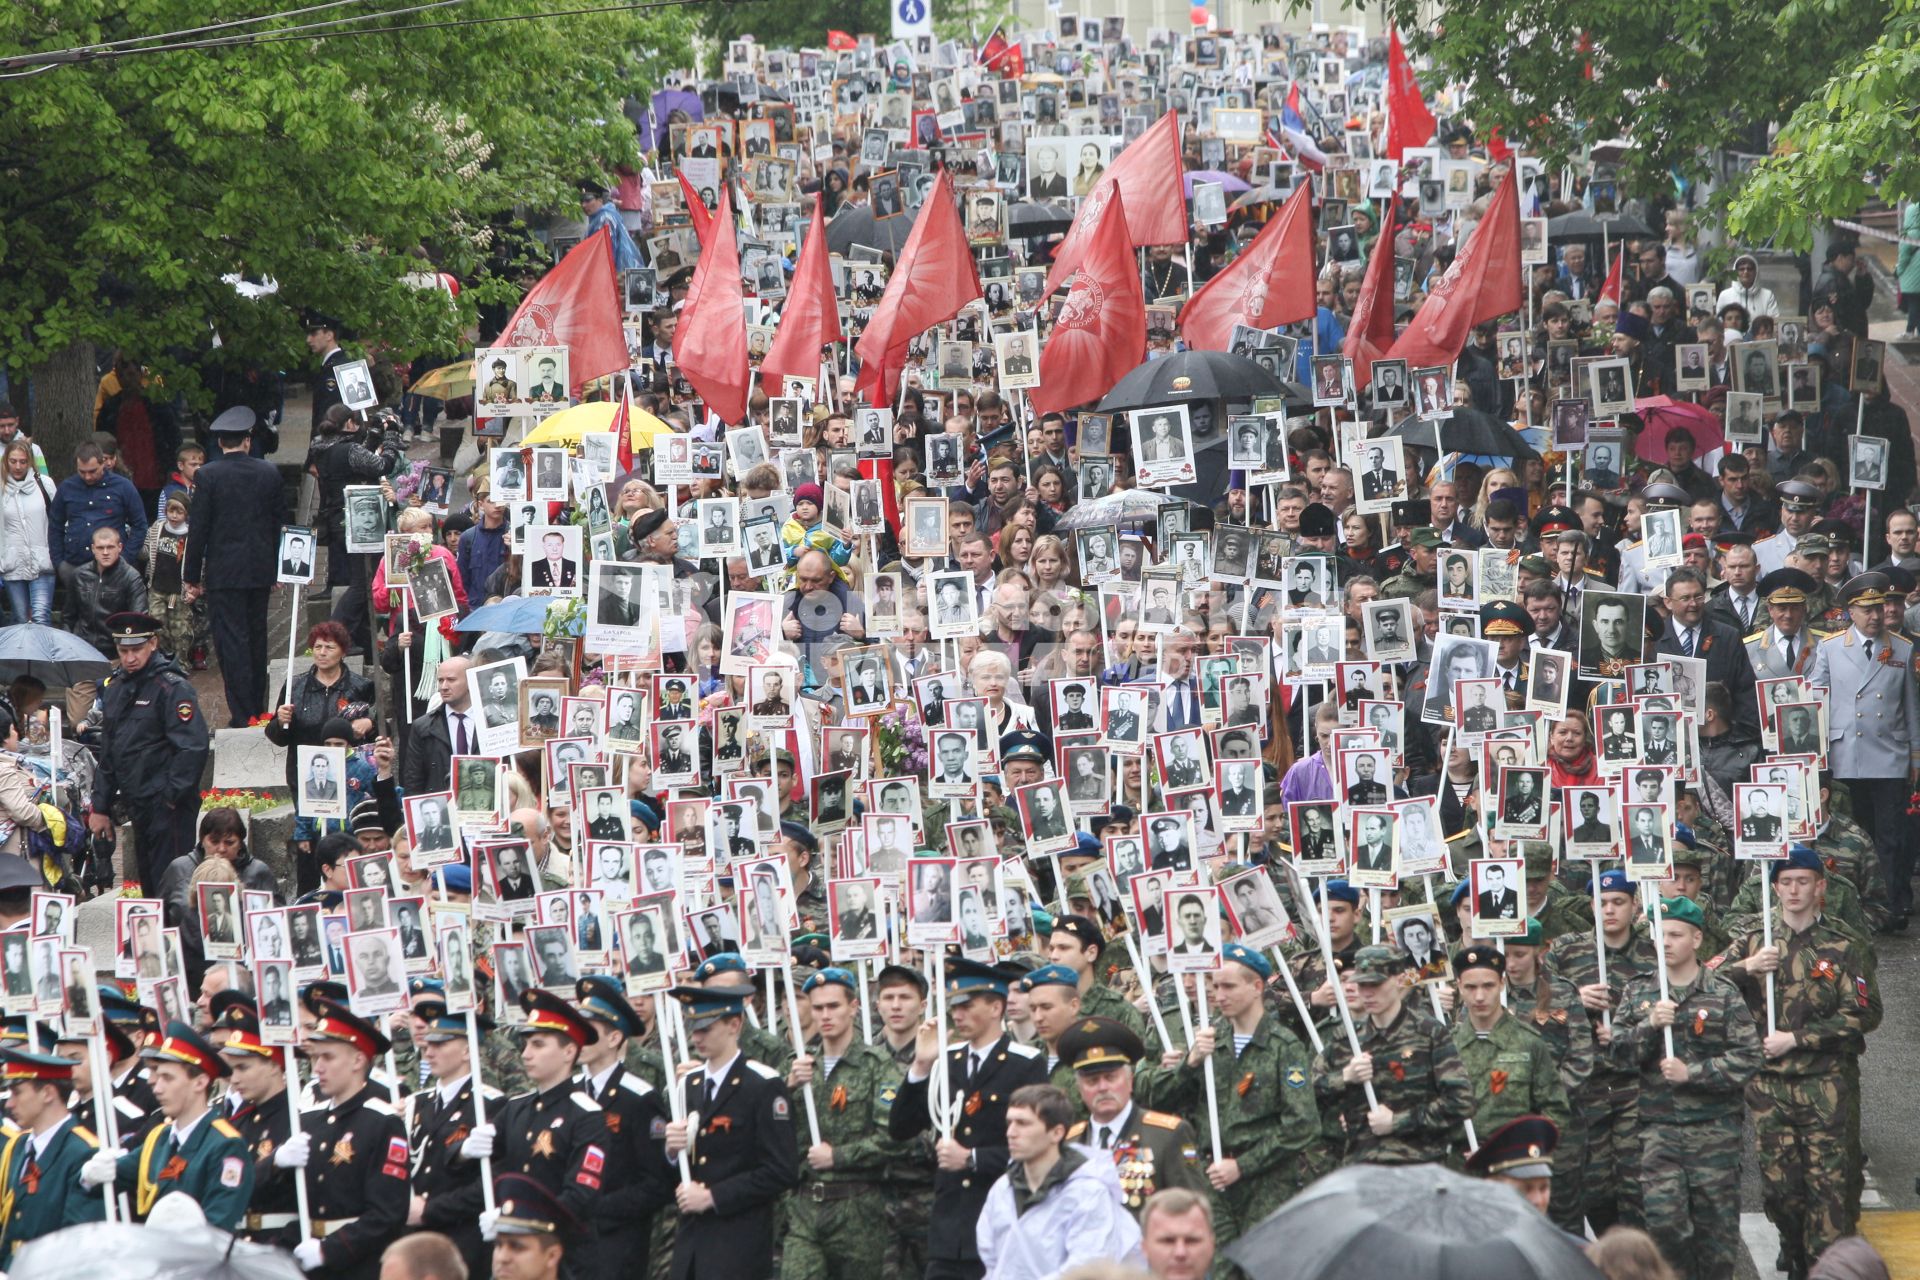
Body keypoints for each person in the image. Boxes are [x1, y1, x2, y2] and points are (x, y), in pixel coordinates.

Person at [1714, 847, 1871, 1274]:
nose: (1794, 890)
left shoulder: (1842, 944)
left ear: (1820, 887)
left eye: (1803, 881)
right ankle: (1793, 1243)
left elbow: (1865, 1013)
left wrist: (1797, 1038)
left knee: (1829, 1189)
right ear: (1775, 887)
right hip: (1770, 1085)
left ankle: (1819, 1265)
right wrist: (1747, 966)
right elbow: (1702, 985)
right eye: (1786, 882)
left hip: (1825, 1084)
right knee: (1782, 1190)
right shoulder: (1755, 938)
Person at [1609, 896, 1762, 1280]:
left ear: (1696, 939)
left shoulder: (1723, 992)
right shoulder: (1640, 991)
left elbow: (1748, 1056)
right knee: (1665, 1228)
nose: (1666, 942)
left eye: (1675, 934)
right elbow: (1617, 1053)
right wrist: (1649, 1026)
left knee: (1716, 1236)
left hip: (1715, 1132)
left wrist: (1693, 1073)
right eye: (1660, 934)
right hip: (1659, 1131)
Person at [889, 958, 1048, 1280]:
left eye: (966, 1005)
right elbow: (901, 1127)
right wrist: (920, 1066)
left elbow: (1037, 1146)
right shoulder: (946, 1061)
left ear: (995, 1008)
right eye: (953, 1007)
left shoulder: (1025, 1064)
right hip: (950, 1227)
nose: (957, 1014)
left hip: (1000, 1219)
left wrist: (972, 1158)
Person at [661, 983, 800, 1279]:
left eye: (706, 1028)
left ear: (734, 1025)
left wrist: (714, 1196)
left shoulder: (762, 1084)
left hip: (739, 1241)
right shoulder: (689, 1085)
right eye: (693, 1028)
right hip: (692, 1241)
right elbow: (685, 1169)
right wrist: (673, 1152)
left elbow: (782, 1170)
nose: (696, 1037)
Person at [1805, 574, 1920, 928]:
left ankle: (1892, 902)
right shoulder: (1830, 647)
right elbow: (1814, 699)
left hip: (1889, 752)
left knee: (1892, 836)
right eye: (1866, 609)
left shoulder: (1902, 647)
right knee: (1855, 834)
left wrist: (1915, 755)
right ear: (1850, 612)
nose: (1875, 615)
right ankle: (1856, 904)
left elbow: (1910, 706)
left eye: (1879, 608)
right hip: (1845, 753)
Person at [782, 967, 905, 1280]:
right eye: (818, 1007)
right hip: (804, 1207)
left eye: (833, 1006)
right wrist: (787, 1088)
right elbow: (769, 1132)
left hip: (857, 1208)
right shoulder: (799, 1064)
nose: (825, 1015)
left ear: (853, 1007)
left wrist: (837, 1156)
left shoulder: (876, 1065)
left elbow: (893, 1138)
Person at [80, 1020, 254, 1227]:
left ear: (200, 1082)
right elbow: (107, 1182)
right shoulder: (160, 1139)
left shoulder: (225, 1145)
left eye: (168, 1078)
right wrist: (91, 1174)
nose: (157, 1088)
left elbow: (218, 1223)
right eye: (158, 1077)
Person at [1315, 945, 1474, 1165]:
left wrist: (1398, 1121)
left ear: (1399, 980)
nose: (1367, 993)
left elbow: (1461, 1101)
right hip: (1363, 1168)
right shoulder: (1347, 1040)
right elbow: (1305, 1097)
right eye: (1362, 984)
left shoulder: (1429, 1033)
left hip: (1418, 1166)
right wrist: (1344, 1078)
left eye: (1376, 984)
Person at [90, 612, 211, 892]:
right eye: (123, 651)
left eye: (136, 649)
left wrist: (169, 798)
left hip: (167, 807)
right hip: (138, 803)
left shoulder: (172, 687)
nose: (130, 658)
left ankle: (174, 936)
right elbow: (109, 752)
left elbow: (192, 747)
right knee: (150, 887)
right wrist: (100, 806)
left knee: (172, 887)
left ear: (153, 644)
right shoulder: (115, 689)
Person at [182, 407, 286, 726]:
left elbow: (199, 528)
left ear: (221, 442)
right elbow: (277, 523)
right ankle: (256, 705)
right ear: (247, 439)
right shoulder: (269, 472)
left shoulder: (207, 475)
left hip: (224, 572)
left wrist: (191, 577)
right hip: (258, 568)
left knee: (231, 643)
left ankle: (243, 713)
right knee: (257, 639)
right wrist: (277, 568)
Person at [973, 1082, 1141, 1278]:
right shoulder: (1002, 1189)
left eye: (1023, 1123)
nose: (1011, 1133)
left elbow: (1085, 1269)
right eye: (1009, 1123)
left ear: (1056, 1133)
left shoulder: (1088, 1192)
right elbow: (991, 1260)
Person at [0, 1045, 107, 1262]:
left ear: (47, 1093)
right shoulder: (18, 1146)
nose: (9, 1103)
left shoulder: (82, 1152)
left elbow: (78, 1240)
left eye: (18, 1093)